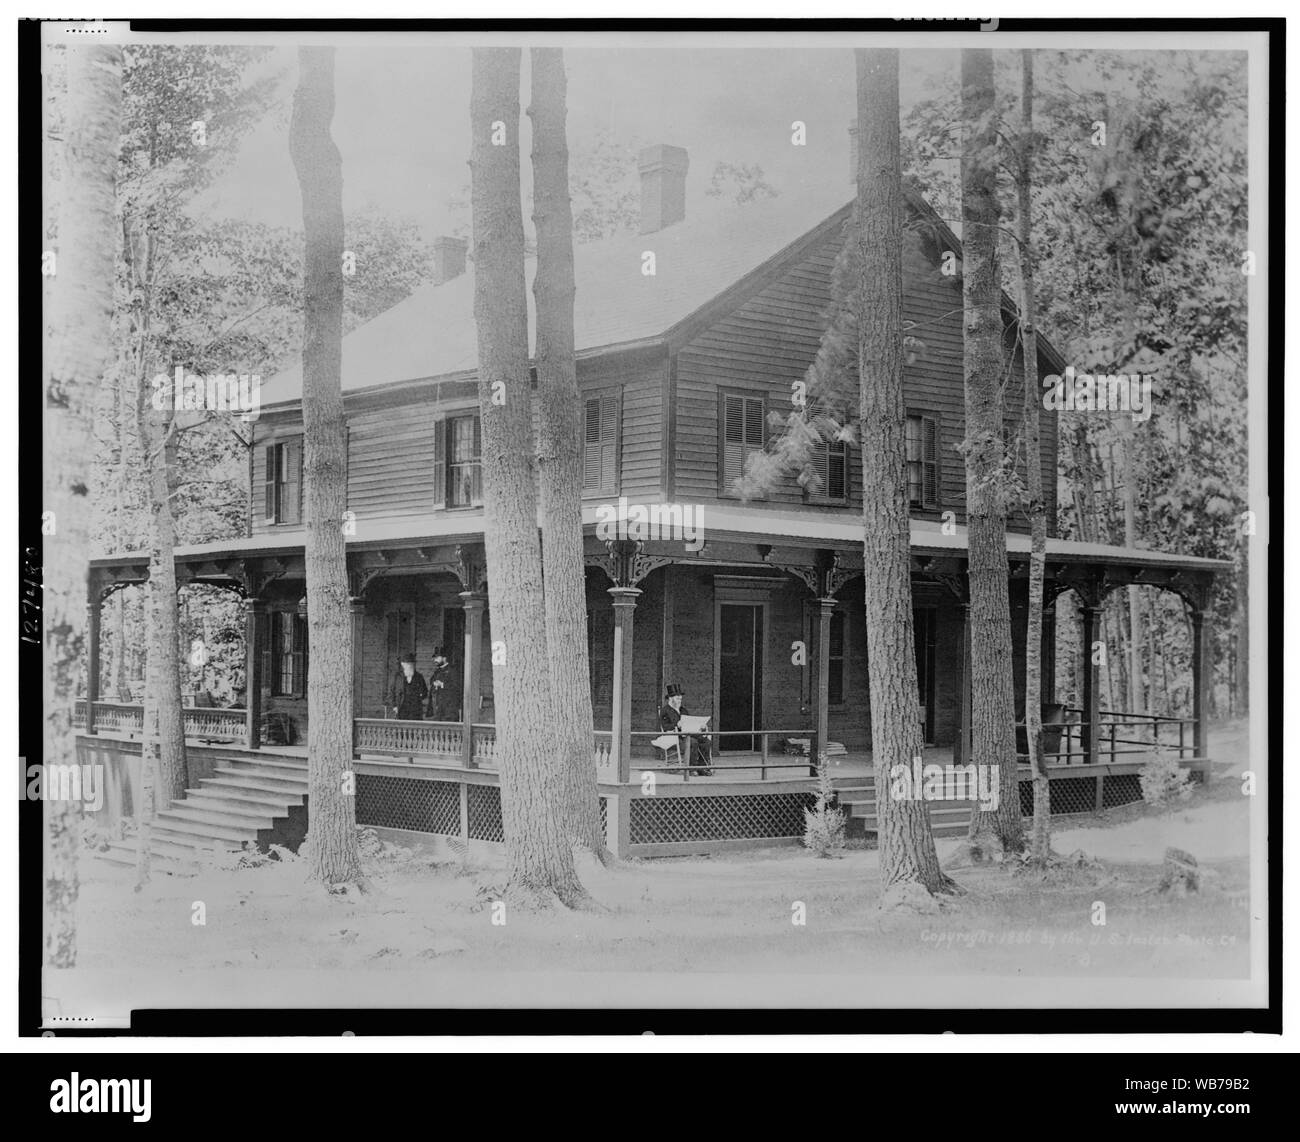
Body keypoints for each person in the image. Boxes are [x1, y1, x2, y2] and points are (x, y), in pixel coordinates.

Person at [659, 683, 713, 776]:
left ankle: (702, 767)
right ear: (671, 699)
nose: (680, 700)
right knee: (692, 742)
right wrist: (677, 725)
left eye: (680, 698)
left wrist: (700, 726)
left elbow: (690, 722)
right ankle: (691, 768)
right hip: (676, 737)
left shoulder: (683, 710)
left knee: (705, 741)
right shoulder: (665, 711)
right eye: (677, 698)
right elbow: (665, 727)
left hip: (689, 733)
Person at [388, 653, 428, 720]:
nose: (409, 665)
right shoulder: (397, 677)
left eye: (411, 663)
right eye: (407, 663)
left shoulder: (419, 677)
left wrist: (418, 697)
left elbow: (425, 692)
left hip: (415, 710)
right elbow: (391, 692)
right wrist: (394, 706)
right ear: (402, 664)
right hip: (401, 708)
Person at [425, 648, 461, 722]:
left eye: (437, 658)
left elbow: (457, 688)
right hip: (437, 710)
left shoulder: (452, 671)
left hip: (449, 711)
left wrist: (442, 685)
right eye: (434, 658)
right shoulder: (437, 672)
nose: (435, 660)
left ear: (444, 658)